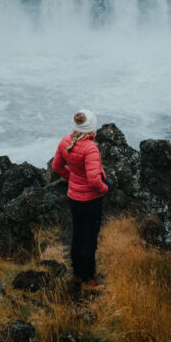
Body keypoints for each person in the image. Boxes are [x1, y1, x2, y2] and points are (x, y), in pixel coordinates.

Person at [52, 109, 109, 290]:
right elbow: (94, 181)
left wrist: (73, 179)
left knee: (77, 235)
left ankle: (77, 272)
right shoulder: (90, 148)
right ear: (92, 127)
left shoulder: (66, 141)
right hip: (91, 199)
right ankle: (88, 278)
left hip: (74, 197)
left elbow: (57, 167)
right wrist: (105, 188)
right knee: (90, 239)